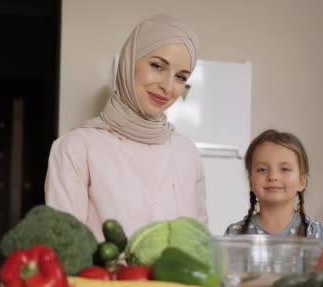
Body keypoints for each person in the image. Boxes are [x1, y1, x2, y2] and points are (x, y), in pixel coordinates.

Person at [45, 14, 207, 241]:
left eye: (181, 77)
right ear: (129, 62)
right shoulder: (77, 147)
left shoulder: (187, 152)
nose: (168, 87)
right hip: (107, 278)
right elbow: (65, 247)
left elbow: (199, 242)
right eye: (157, 66)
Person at [224, 129, 323, 240]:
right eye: (262, 169)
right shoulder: (235, 234)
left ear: (302, 182)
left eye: (284, 169)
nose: (272, 176)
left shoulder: (314, 233)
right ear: (250, 181)